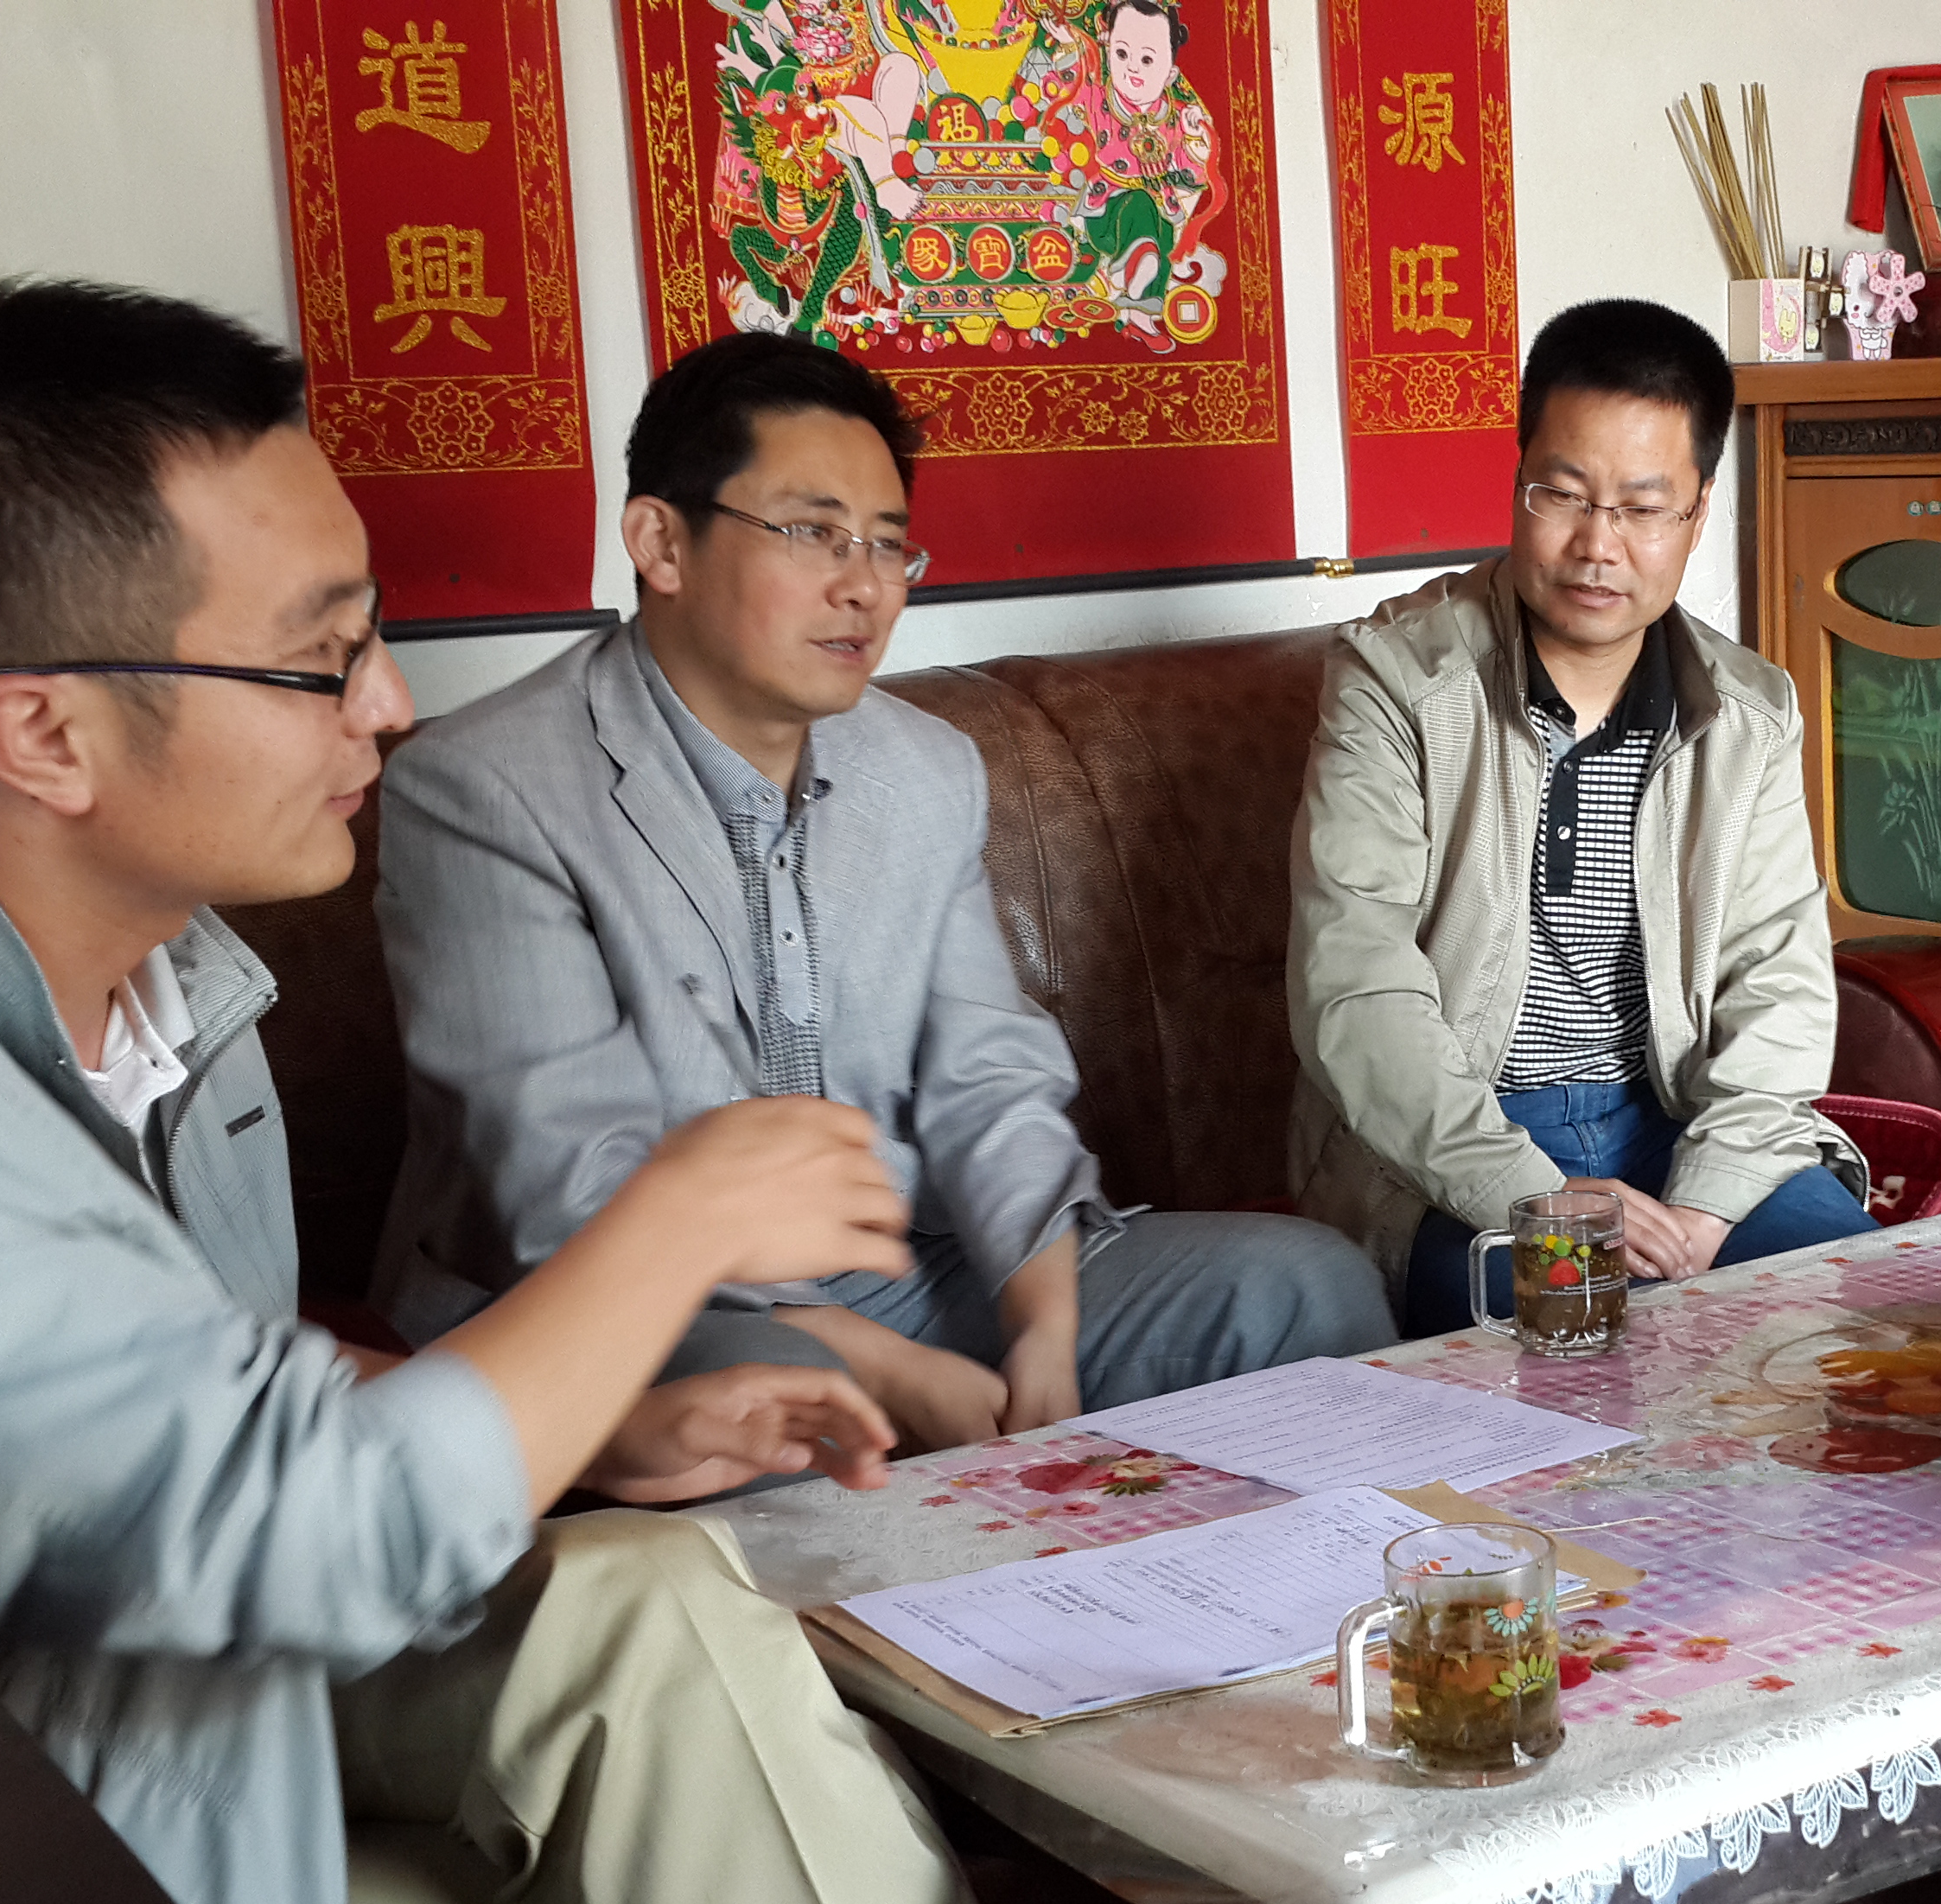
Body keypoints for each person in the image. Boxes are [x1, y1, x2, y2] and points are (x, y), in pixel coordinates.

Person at [0, 279, 1009, 1904]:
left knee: (652, 1611)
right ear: (42, 733)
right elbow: (272, 1531)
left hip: (179, 1642)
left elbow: (211, 1386)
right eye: (320, 657)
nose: (390, 702)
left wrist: (599, 1424)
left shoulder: (170, 967)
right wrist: (684, 1211)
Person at [375, 330, 1390, 1454]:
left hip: (917, 1269)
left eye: (889, 544)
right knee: (778, 1396)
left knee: (1302, 1286)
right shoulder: (485, 788)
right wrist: (881, 1365)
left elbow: (987, 1074)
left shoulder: (927, 765)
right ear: (660, 542)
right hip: (638, 1308)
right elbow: (566, 1186)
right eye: (812, 532)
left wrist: (1044, 1324)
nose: (862, 585)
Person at [1289, 296, 1872, 1340]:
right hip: (1459, 1153)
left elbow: (1778, 980)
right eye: (1561, 495)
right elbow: (1355, 985)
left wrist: (1709, 1206)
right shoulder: (1395, 682)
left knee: (1851, 1315)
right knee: (1599, 1345)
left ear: (1697, 513)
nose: (1598, 545)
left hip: (1674, 1126)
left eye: (1644, 508)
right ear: (1517, 479)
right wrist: (1532, 1192)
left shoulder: (1748, 713)